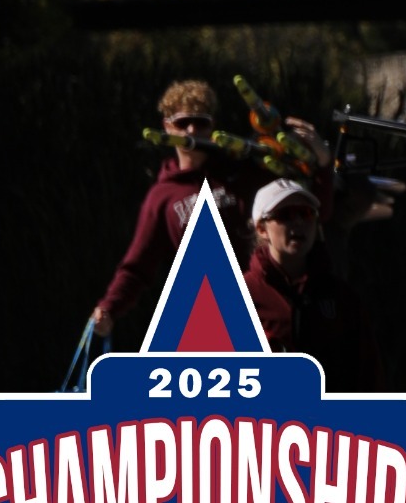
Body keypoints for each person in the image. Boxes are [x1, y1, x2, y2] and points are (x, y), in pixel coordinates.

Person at [92, 79, 329, 340]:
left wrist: (323, 165)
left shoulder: (244, 172)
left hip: (265, 309)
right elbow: (137, 267)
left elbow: (306, 212)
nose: (192, 129)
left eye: (201, 122)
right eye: (183, 123)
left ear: (213, 126)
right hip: (208, 318)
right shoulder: (162, 197)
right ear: (167, 126)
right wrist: (109, 308)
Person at [242, 178, 382, 391]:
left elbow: (369, 379)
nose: (298, 222)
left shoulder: (341, 296)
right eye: (285, 215)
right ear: (262, 228)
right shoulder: (238, 296)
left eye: (306, 214)